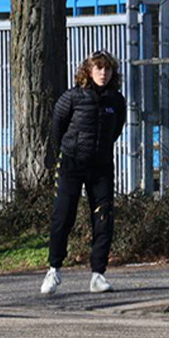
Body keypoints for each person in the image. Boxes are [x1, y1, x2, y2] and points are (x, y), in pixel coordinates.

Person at [41, 50, 127, 295]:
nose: (103, 73)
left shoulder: (116, 101)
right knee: (62, 215)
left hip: (101, 167)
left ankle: (98, 275)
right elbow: (57, 127)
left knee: (104, 217)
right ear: (88, 71)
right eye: (98, 68)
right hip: (71, 164)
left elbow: (116, 130)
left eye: (108, 69)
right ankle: (54, 269)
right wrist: (66, 152)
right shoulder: (72, 97)